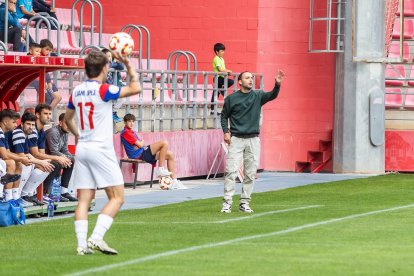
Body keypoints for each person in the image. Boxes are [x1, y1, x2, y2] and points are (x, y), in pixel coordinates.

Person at [65, 50, 141, 255]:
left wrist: (78, 134)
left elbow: (67, 118)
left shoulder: (77, 91)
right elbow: (136, 88)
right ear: (105, 68)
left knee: (84, 199)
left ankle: (81, 246)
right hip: (101, 148)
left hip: (83, 148)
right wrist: (129, 65)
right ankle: (96, 237)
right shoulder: (103, 90)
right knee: (117, 197)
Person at [220, 70, 285, 213]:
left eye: (252, 78)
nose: (250, 80)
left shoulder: (258, 96)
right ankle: (227, 202)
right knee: (231, 171)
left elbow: (272, 95)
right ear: (240, 82)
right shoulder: (231, 99)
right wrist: (226, 132)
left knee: (250, 173)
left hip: (253, 140)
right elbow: (224, 116)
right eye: (247, 78)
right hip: (236, 139)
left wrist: (277, 84)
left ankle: (244, 202)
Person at [121, 113, 186, 189]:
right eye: (129, 121)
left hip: (143, 152)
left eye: (133, 121)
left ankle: (174, 181)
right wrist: (141, 143)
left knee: (170, 155)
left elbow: (140, 143)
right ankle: (160, 169)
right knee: (164, 143)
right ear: (125, 122)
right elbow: (141, 144)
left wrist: (140, 143)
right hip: (140, 154)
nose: (131, 123)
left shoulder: (131, 132)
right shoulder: (126, 132)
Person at [7, 112, 54, 206]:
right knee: (25, 164)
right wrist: (40, 161)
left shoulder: (26, 133)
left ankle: (26, 194)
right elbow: (21, 156)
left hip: (15, 159)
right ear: (22, 124)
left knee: (46, 167)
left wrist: (41, 162)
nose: (31, 127)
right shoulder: (19, 133)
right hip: (9, 160)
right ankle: (17, 195)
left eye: (33, 125)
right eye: (28, 124)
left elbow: (26, 154)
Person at [27, 104, 72, 202]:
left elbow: (41, 153)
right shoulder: (33, 129)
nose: (49, 116)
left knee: (56, 163)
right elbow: (35, 153)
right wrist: (56, 158)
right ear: (37, 115)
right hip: (23, 158)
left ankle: (43, 193)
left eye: (50, 114)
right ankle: (29, 194)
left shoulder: (42, 132)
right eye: (46, 114)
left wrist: (58, 158)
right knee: (54, 163)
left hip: (31, 158)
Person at [45, 112, 77, 201]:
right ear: (60, 123)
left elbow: (64, 149)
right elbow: (53, 151)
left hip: (55, 157)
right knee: (58, 163)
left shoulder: (65, 133)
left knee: (71, 160)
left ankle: (64, 191)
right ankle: (47, 192)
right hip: (46, 157)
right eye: (67, 123)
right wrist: (64, 158)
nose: (69, 126)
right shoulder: (53, 132)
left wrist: (69, 157)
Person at [0, 109, 29, 201]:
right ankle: (5, 197)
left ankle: (11, 197)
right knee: (9, 163)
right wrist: (22, 158)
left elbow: (7, 152)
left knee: (15, 162)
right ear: (5, 122)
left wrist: (22, 158)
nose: (16, 125)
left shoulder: (3, 133)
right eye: (13, 122)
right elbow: (5, 155)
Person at [30, 39, 62, 108]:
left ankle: (47, 114)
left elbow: (45, 72)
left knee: (58, 97)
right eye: (47, 49)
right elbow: (40, 71)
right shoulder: (36, 56)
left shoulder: (44, 57)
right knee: (47, 99)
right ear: (41, 48)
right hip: (37, 81)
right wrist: (47, 82)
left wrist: (49, 82)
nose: (48, 52)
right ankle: (43, 114)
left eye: (49, 50)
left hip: (45, 81)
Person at [102, 48, 125, 123]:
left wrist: (118, 62)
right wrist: (114, 63)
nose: (110, 58)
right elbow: (108, 65)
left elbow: (121, 67)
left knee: (122, 97)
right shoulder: (102, 65)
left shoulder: (114, 65)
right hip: (105, 89)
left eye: (110, 56)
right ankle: (110, 112)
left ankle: (113, 112)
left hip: (114, 88)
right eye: (108, 56)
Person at [211, 43, 234, 115]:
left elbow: (224, 69)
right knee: (231, 81)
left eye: (223, 51)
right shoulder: (216, 58)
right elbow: (220, 69)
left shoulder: (222, 59)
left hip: (222, 77)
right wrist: (228, 71)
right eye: (221, 51)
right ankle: (212, 110)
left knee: (216, 93)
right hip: (218, 78)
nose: (223, 52)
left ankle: (212, 111)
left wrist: (228, 71)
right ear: (217, 52)